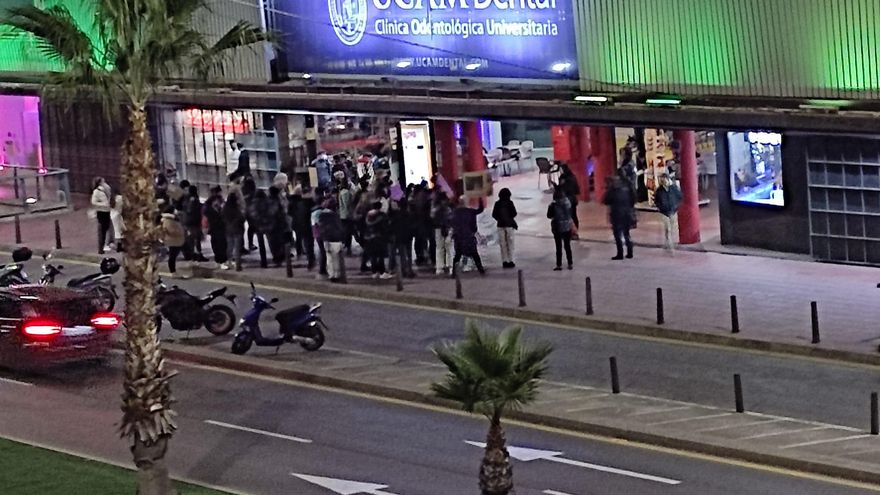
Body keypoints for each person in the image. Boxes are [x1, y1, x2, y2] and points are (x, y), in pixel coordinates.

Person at [604, 169, 637, 260]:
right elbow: (634, 198)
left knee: (617, 234)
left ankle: (620, 253)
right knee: (627, 233)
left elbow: (606, 200)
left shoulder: (613, 186)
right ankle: (630, 252)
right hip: (627, 212)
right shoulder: (629, 185)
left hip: (616, 212)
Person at [451, 197, 485, 276]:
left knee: (457, 255)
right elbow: (480, 210)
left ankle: (454, 272)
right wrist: (480, 201)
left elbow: (451, 222)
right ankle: (481, 270)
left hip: (459, 237)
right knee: (474, 254)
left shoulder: (455, 212)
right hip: (468, 236)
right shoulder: (470, 211)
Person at [317, 198, 345, 282]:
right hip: (336, 238)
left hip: (327, 239)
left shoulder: (322, 216)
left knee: (330, 258)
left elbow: (321, 227)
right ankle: (336, 274)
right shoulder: (335, 215)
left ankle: (332, 274)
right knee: (336, 258)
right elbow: (340, 228)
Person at [654, 173, 683, 253]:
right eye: (661, 180)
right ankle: (670, 245)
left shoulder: (673, 188)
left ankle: (668, 242)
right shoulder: (659, 190)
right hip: (664, 212)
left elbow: (680, 197)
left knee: (673, 228)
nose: (663, 181)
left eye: (663, 179)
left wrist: (676, 206)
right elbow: (656, 201)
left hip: (673, 211)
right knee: (668, 229)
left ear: (667, 179)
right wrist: (660, 207)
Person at [547, 188, 574, 271]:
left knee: (558, 247)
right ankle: (570, 263)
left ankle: (559, 265)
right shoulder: (568, 203)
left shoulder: (553, 205)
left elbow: (549, 216)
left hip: (557, 227)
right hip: (567, 227)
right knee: (567, 246)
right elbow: (571, 214)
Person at [363, 202, 392, 279]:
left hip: (369, 237)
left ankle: (374, 272)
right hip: (379, 237)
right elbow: (386, 226)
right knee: (381, 255)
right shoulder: (382, 215)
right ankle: (382, 272)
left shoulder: (368, 215)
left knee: (373, 256)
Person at [388, 198, 415, 278]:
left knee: (402, 254)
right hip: (408, 236)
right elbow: (412, 225)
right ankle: (409, 270)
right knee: (409, 255)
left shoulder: (396, 215)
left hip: (400, 236)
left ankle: (404, 270)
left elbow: (393, 226)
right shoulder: (409, 215)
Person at [492, 188, 518, 269]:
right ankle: (511, 260)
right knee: (511, 244)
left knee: (503, 244)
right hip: (510, 225)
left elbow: (494, 214)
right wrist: (509, 218)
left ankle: (504, 261)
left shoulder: (497, 203)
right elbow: (514, 213)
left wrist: (500, 219)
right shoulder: (510, 203)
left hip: (500, 225)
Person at [220, 192, 245, 270]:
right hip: (237, 229)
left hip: (228, 229)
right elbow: (242, 218)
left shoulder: (225, 208)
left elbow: (222, 217)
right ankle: (238, 264)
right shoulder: (236, 208)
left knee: (229, 247)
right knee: (237, 248)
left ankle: (229, 262)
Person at [267, 186, 291, 266]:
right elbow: (278, 212)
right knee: (278, 241)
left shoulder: (269, 200)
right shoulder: (275, 201)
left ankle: (278, 257)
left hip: (272, 225)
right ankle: (279, 257)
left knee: (274, 242)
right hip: (277, 224)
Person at [161, 207, 187, 278]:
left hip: (176, 240)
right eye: (174, 210)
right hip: (172, 241)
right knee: (172, 257)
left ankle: (174, 272)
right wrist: (180, 232)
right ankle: (173, 272)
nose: (176, 211)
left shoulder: (173, 219)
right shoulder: (168, 220)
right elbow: (171, 230)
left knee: (173, 256)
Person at [431, 192, 453, 276]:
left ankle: (439, 268)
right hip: (447, 229)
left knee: (439, 248)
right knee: (449, 248)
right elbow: (451, 219)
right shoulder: (448, 209)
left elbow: (432, 219)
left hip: (438, 229)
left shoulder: (435, 209)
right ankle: (450, 266)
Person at [204, 186, 227, 265]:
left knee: (218, 242)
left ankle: (220, 257)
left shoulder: (211, 202)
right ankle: (220, 257)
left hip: (217, 225)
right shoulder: (214, 202)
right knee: (219, 242)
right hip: (216, 225)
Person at [184, 185, 208, 262]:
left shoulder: (186, 198)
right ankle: (198, 255)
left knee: (192, 239)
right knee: (197, 239)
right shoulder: (193, 199)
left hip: (188, 221)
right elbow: (192, 209)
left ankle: (194, 254)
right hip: (194, 221)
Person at [90, 177, 113, 254]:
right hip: (101, 212)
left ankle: (108, 244)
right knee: (102, 230)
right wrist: (103, 205)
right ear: (99, 183)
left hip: (107, 211)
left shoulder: (106, 189)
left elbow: (110, 195)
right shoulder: (97, 192)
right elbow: (93, 202)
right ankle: (101, 248)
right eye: (103, 181)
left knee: (109, 228)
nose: (104, 182)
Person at [558, 164, 581, 230]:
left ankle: (572, 230)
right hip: (572, 199)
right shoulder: (572, 177)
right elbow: (577, 189)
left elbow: (562, 189)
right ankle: (574, 229)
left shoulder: (565, 178)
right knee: (573, 215)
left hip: (568, 199)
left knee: (570, 216)